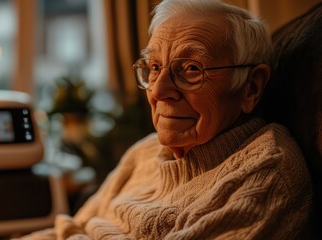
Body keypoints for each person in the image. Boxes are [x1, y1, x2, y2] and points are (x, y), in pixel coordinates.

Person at [18, 0, 312, 239]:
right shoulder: (144, 153)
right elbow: (69, 229)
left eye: (192, 69)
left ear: (251, 87)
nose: (158, 90)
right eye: (155, 66)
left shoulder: (266, 171)